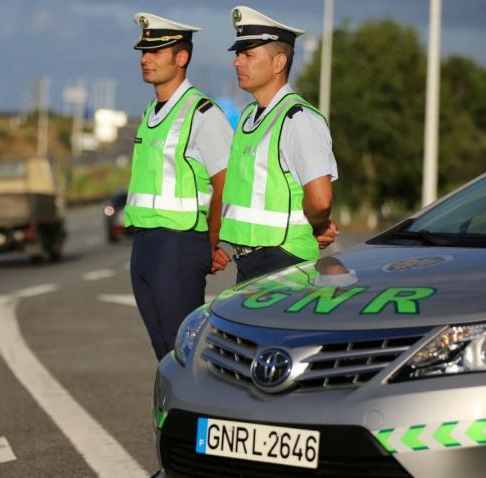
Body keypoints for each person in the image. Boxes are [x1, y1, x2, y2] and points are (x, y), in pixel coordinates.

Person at [126, 12, 233, 361]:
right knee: (163, 351)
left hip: (180, 245)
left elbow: (225, 183)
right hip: (145, 245)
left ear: (181, 57)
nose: (145, 58)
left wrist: (213, 241)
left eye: (156, 51)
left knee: (185, 352)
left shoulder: (203, 113)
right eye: (144, 51)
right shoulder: (151, 112)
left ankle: (197, 415)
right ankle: (170, 417)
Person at [218, 5, 339, 284]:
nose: (237, 62)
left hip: (283, 262)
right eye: (238, 54)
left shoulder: (298, 119)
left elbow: (320, 201)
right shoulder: (250, 115)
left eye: (248, 54)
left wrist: (316, 227)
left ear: (278, 63)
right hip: (252, 261)